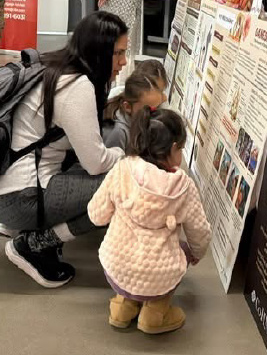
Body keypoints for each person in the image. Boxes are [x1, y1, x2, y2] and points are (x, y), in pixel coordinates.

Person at [0, 11, 129, 288]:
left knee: (105, 150)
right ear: (98, 51)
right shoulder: (77, 86)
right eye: (118, 54)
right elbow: (95, 163)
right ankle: (34, 244)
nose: (123, 62)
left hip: (1, 188)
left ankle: (22, 228)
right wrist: (125, 157)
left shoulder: (56, 66)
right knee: (126, 184)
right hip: (22, 198)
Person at [88, 108, 211, 334]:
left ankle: (122, 308)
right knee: (181, 252)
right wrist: (195, 254)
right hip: (160, 274)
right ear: (174, 149)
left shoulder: (121, 168)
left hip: (117, 264)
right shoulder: (183, 187)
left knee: (129, 262)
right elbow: (200, 234)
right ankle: (153, 315)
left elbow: (96, 215)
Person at [103, 70, 165, 150]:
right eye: (149, 110)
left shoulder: (137, 119)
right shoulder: (118, 132)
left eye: (157, 108)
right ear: (127, 107)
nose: (155, 116)